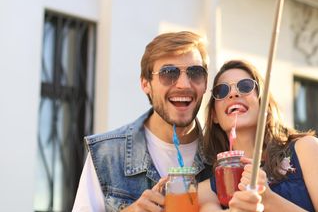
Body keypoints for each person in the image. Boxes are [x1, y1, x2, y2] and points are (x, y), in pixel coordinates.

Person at [72, 32, 263, 212]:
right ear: (145, 84)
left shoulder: (223, 159)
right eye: (169, 73)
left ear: (205, 84)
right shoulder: (108, 154)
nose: (183, 84)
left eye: (195, 73)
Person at [198, 60, 318, 212]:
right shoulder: (207, 192)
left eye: (245, 86)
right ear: (214, 115)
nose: (234, 93)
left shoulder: (306, 149)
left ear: (264, 104)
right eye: (222, 91)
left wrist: (268, 199)